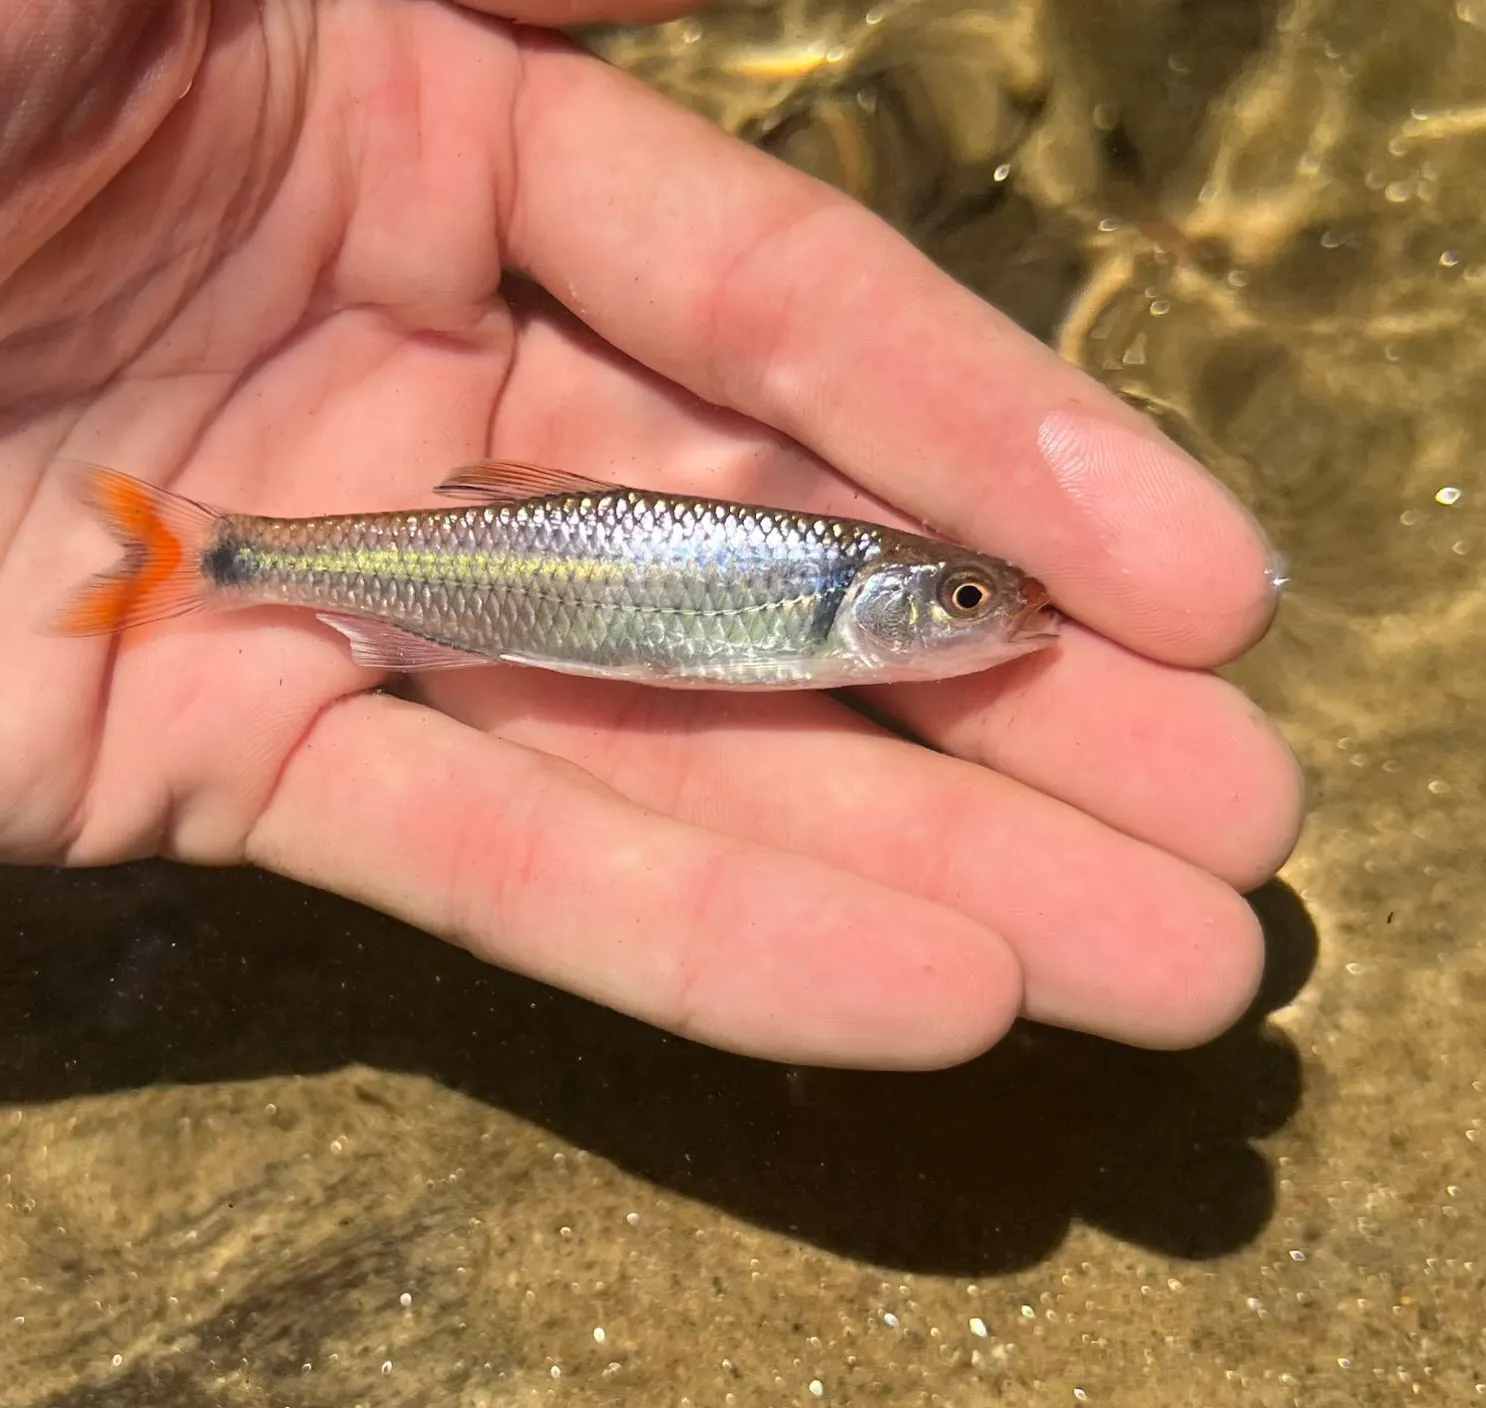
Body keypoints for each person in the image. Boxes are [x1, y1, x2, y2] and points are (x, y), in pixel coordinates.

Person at [0, 0, 1301, 1069]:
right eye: (965, 598)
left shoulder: (831, 597)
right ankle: (216, 560)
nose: (997, 618)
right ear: (895, 593)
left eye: (972, 601)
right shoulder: (821, 588)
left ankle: (213, 561)